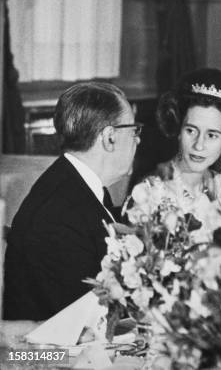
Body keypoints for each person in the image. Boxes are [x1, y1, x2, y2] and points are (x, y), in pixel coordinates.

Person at [3, 82, 141, 320]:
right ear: (109, 138)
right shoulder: (59, 215)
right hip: (44, 355)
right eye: (133, 131)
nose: (137, 141)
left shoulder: (78, 184)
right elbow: (78, 324)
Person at [138, 68, 221, 215]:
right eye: (191, 131)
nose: (199, 145)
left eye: (212, 135)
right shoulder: (152, 190)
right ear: (179, 131)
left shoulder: (219, 184)